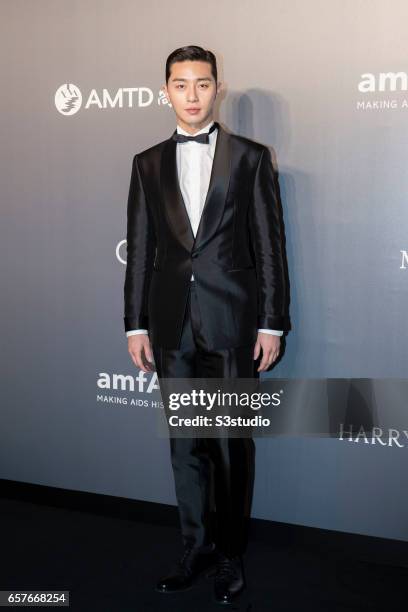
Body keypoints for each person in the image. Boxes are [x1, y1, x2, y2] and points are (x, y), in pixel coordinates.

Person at [124, 45, 290, 605]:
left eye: (202, 84)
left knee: (229, 445)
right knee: (185, 446)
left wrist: (272, 323)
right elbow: (143, 248)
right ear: (165, 90)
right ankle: (194, 547)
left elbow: (270, 247)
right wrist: (134, 325)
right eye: (180, 84)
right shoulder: (146, 162)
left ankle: (230, 554)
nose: (191, 95)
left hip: (232, 324)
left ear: (216, 88)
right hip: (171, 327)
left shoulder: (250, 157)